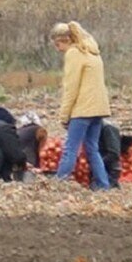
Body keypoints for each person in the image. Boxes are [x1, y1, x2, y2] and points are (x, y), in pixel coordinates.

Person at [50, 21, 111, 190]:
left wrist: (64, 115)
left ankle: (59, 184)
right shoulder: (92, 51)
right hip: (98, 108)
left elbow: (71, 87)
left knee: (70, 147)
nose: (58, 49)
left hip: (83, 108)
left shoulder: (74, 53)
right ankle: (104, 184)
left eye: (58, 44)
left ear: (65, 40)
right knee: (92, 148)